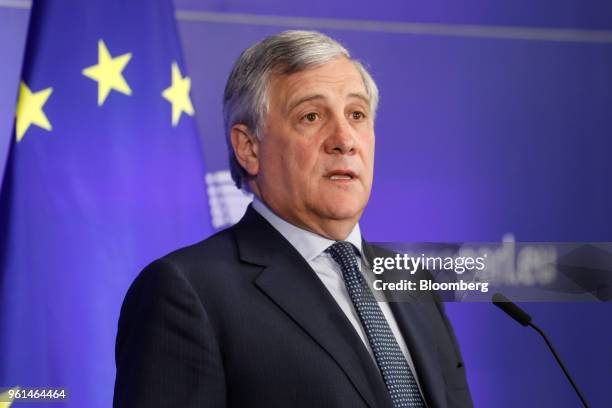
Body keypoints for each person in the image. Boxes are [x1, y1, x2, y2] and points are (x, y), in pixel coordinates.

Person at [113, 30, 473, 408]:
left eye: (357, 115)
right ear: (249, 147)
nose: (344, 139)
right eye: (312, 116)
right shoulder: (187, 292)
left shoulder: (411, 281)